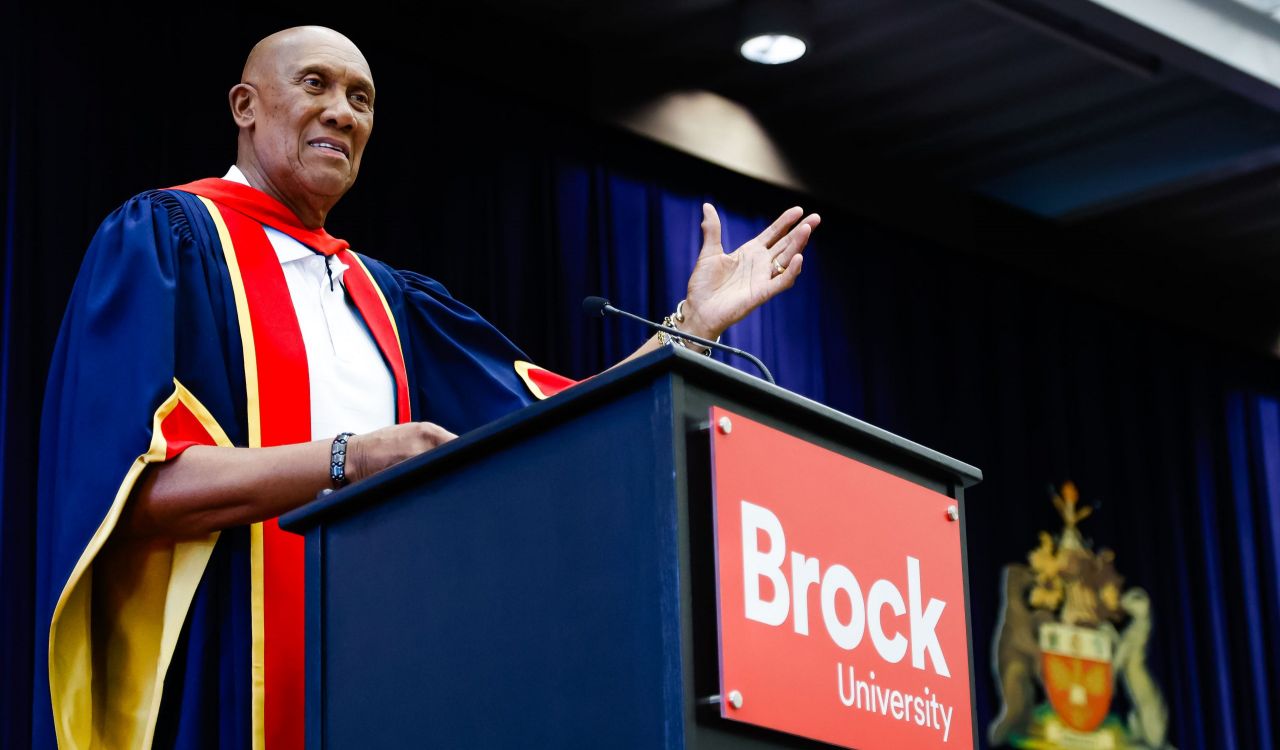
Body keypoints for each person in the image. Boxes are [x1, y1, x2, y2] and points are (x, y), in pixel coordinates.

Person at [34, 26, 820, 750]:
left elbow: (563, 422)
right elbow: (131, 488)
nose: (342, 113)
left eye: (361, 98)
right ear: (245, 105)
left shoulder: (388, 299)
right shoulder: (170, 240)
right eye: (316, 84)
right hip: (232, 682)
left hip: (389, 690)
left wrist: (693, 325)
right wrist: (354, 458)